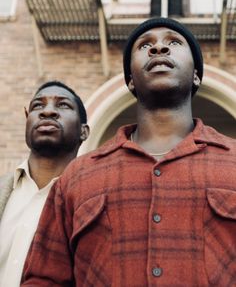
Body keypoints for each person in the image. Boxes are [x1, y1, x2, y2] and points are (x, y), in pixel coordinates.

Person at [21, 18, 236, 286]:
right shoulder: (77, 176)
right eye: (145, 45)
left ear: (196, 75)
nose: (159, 48)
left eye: (173, 42)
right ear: (131, 81)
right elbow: (44, 279)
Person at [0, 80, 89, 287]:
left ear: (84, 131)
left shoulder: (92, 200)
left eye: (63, 105)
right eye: (38, 105)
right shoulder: (4, 190)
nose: (47, 112)